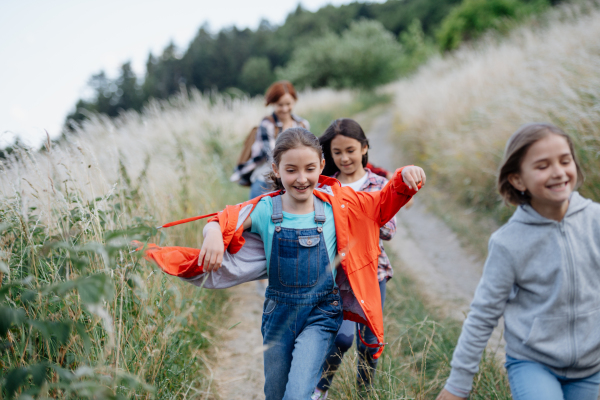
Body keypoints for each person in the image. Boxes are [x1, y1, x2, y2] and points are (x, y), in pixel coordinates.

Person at [192, 127, 424, 399]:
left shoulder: (337, 205)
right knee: (275, 393)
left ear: (322, 166)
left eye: (310, 169)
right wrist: (212, 234)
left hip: (321, 315)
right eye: (291, 170)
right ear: (276, 169)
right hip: (278, 315)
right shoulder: (266, 209)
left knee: (298, 394)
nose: (301, 179)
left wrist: (404, 177)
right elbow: (226, 219)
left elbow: (383, 203)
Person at [436, 123, 600, 400]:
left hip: (591, 366)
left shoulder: (595, 220)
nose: (559, 172)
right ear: (517, 179)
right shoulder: (508, 242)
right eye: (542, 166)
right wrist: (457, 385)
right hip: (534, 363)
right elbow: (483, 314)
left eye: (565, 160)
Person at [311, 119, 397, 399]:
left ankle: (364, 391)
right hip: (339, 273)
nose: (345, 158)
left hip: (373, 272)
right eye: (337, 152)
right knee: (342, 336)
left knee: (369, 341)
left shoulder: (379, 184)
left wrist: (361, 213)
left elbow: (388, 230)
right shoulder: (326, 186)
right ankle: (320, 388)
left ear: (364, 148)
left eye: (350, 150)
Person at [230, 80, 309, 199]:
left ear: (294, 101)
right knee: (256, 215)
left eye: (288, 104)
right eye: (280, 105)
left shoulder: (302, 124)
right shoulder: (267, 124)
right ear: (272, 103)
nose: (285, 109)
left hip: (292, 181)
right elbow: (272, 155)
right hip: (265, 180)